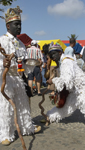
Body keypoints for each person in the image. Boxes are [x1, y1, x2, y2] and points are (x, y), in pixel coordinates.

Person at [0, 6, 41, 146]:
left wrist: (34, 63)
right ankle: (6, 134)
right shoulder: (2, 41)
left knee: (23, 104)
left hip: (19, 79)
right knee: (7, 106)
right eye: (16, 24)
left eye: (20, 24)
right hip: (7, 79)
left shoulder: (21, 44)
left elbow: (24, 65)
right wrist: (3, 64)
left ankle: (26, 127)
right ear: (8, 25)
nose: (19, 27)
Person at [46, 44, 85, 131]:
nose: (52, 57)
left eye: (54, 54)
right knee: (66, 107)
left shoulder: (66, 62)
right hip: (76, 91)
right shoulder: (65, 61)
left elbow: (67, 82)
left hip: (83, 90)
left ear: (60, 53)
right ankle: (50, 116)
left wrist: (53, 81)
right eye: (51, 55)